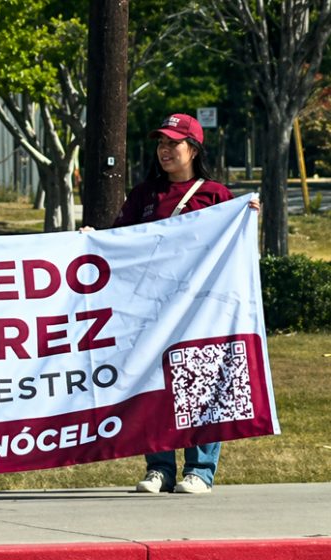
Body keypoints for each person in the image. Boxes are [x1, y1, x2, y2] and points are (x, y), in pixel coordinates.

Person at [112, 113, 260, 495]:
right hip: (152, 308)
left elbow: (233, 248)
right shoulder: (145, 195)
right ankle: (159, 468)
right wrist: (92, 240)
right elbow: (120, 240)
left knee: (201, 381)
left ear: (193, 149)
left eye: (173, 143)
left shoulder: (216, 195)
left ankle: (200, 469)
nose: (165, 150)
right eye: (161, 143)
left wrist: (247, 221)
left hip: (201, 310)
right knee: (153, 386)